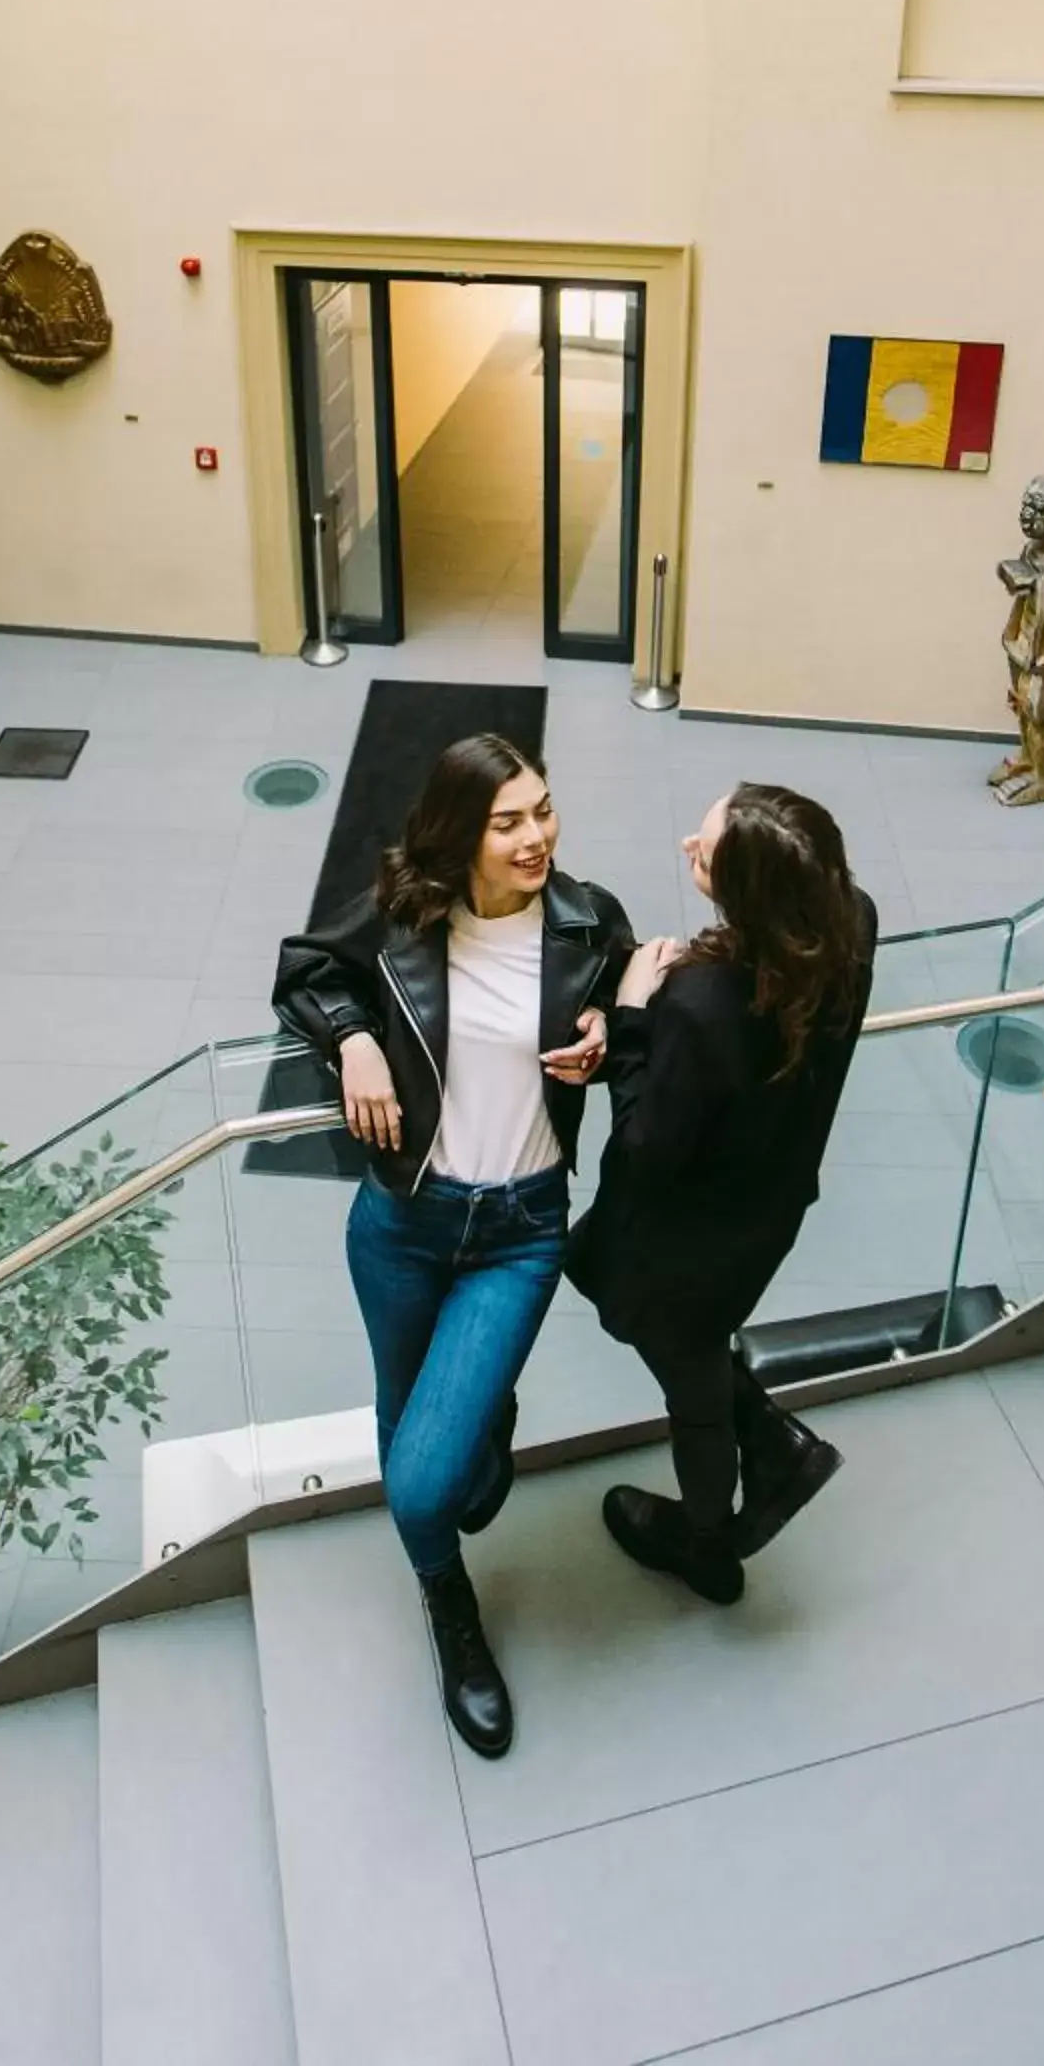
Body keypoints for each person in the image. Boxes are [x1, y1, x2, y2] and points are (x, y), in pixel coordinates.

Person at [272, 734, 634, 1757]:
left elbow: (629, 986)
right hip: (400, 1224)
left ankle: (471, 1481)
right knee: (406, 1433)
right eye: (506, 821)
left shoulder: (583, 917)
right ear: (459, 833)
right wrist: (350, 1040)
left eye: (543, 812)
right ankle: (450, 1602)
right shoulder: (406, 915)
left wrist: (607, 1022)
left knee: (427, 1484)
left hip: (519, 1229)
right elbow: (305, 971)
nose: (536, 837)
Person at [567, 782, 875, 1604]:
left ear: (745, 893)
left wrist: (633, 1013)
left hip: (681, 1251)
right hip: (763, 1214)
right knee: (703, 1359)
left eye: (701, 849)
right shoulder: (854, 924)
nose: (685, 848)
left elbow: (641, 1152)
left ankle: (711, 1546)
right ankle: (771, 1441)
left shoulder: (702, 1004)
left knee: (693, 1387)